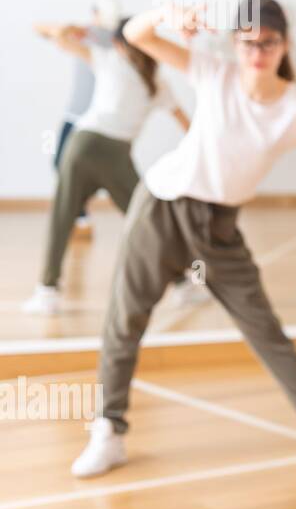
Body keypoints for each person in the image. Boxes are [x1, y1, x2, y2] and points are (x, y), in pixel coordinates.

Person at [71, 0, 296, 478]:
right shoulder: (213, 72)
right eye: (249, 43)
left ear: (283, 45)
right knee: (125, 319)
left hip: (219, 227)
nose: (258, 52)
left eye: (269, 43)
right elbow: (138, 36)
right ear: (235, 44)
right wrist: (166, 15)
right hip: (163, 207)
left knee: (264, 326)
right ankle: (108, 430)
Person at [24, 17, 191, 315]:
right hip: (113, 152)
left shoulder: (110, 59)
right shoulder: (154, 82)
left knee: (63, 216)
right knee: (147, 220)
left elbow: (51, 33)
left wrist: (70, 28)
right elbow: (186, 125)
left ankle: (47, 291)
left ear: (117, 43)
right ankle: (182, 282)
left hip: (83, 145)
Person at [50, 0, 120, 242]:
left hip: (95, 119)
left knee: (104, 173)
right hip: (74, 114)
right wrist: (72, 28)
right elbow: (52, 33)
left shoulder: (113, 42)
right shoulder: (84, 34)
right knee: (59, 162)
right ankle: (79, 216)